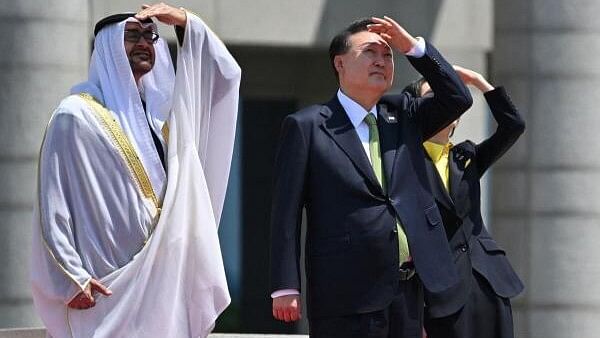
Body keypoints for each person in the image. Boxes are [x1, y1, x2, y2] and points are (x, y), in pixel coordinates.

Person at [31, 3, 241, 337]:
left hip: (165, 286)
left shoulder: (166, 123)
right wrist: (71, 277)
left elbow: (225, 76)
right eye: (131, 36)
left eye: (149, 35)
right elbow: (52, 204)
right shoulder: (75, 116)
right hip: (107, 288)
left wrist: (185, 22)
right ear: (108, 48)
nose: (144, 42)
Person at [269, 16, 473, 338]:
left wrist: (413, 47)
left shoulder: (404, 114)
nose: (381, 61)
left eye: (388, 55)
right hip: (344, 294)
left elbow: (459, 98)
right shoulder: (307, 126)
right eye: (370, 52)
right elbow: (285, 212)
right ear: (340, 63)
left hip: (407, 291)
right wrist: (284, 284)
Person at [403, 67, 525, 338]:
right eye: (433, 95)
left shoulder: (466, 157)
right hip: (439, 296)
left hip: (488, 282)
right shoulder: (401, 163)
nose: (443, 100)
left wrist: (478, 83)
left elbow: (514, 125)